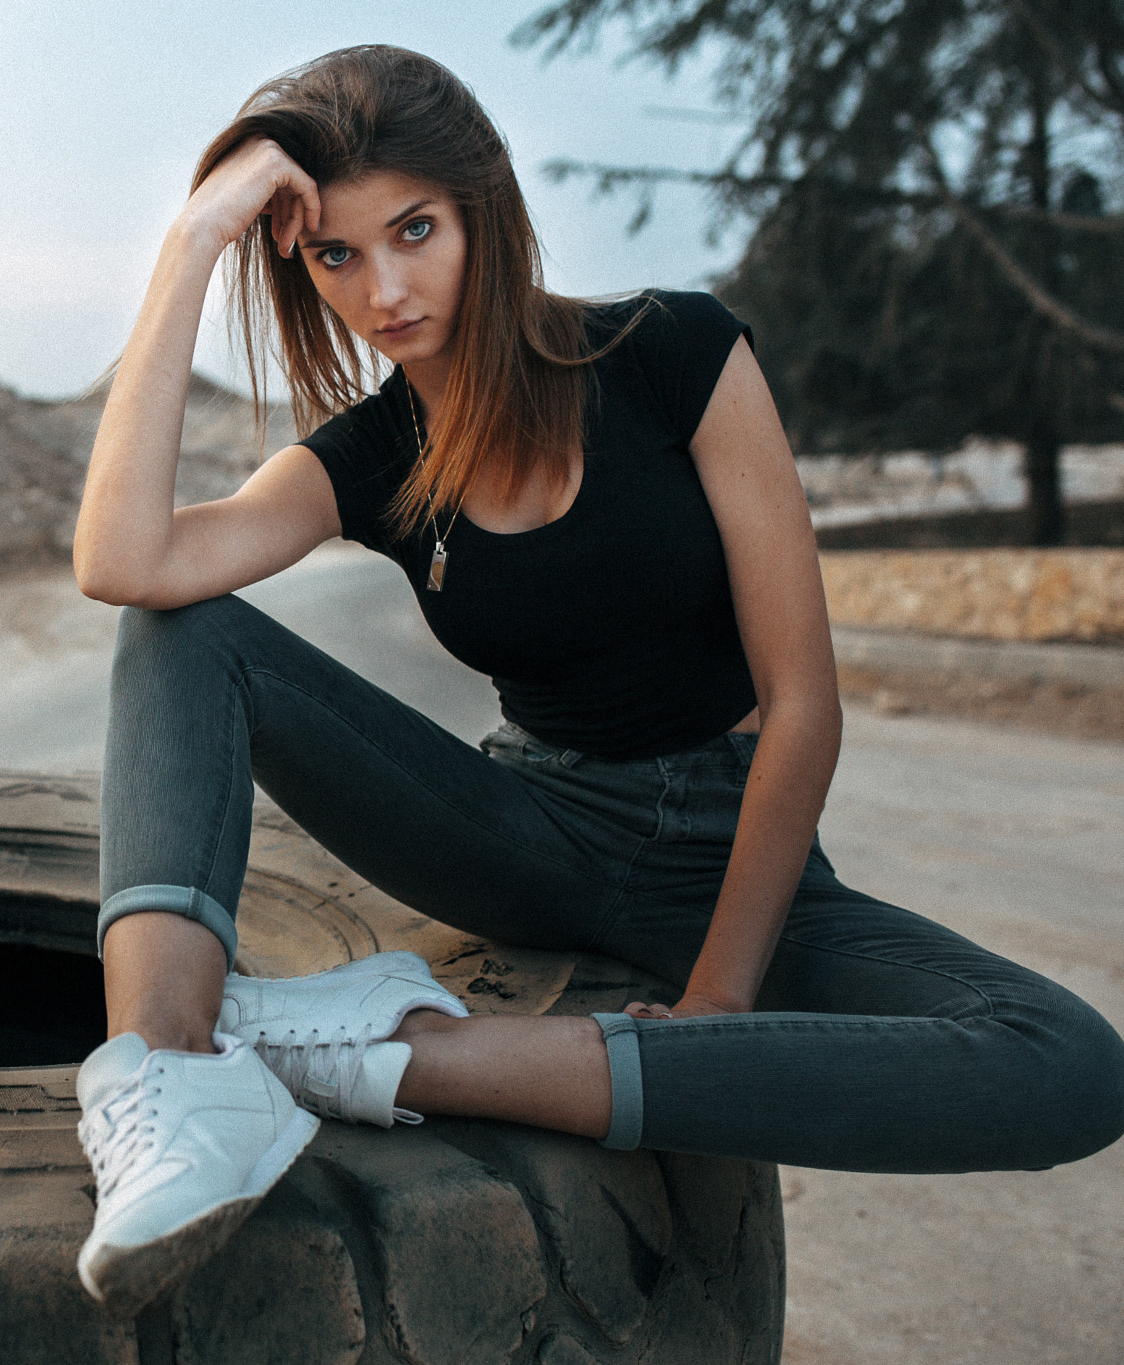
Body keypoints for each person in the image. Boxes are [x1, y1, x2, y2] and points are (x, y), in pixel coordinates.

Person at [67, 44, 1124, 1317]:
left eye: (415, 230)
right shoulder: (369, 453)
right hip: (524, 833)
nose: (383, 290)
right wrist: (194, 241)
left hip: (726, 857)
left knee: (1067, 1064)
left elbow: (803, 702)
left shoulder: (670, 350)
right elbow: (125, 561)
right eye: (335, 254)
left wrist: (720, 999)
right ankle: (173, 1073)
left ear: (485, 209)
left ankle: (388, 1059)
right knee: (180, 628)